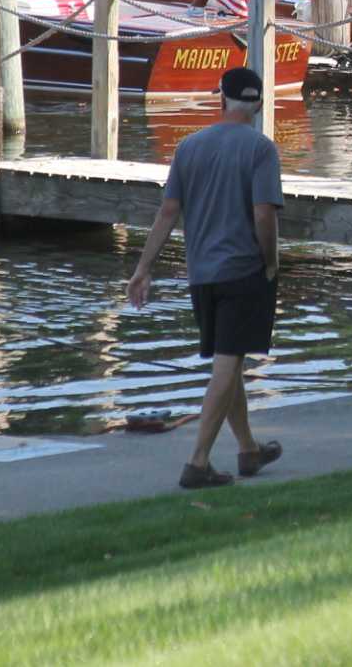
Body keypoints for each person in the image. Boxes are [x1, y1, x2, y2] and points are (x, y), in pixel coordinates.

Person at [128, 65, 284, 489]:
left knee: (227, 361)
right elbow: (264, 213)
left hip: (202, 275)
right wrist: (270, 260)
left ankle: (249, 450)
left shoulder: (188, 147)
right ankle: (197, 462)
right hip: (244, 271)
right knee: (228, 364)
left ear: (221, 101)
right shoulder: (261, 149)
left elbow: (167, 212)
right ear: (258, 104)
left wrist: (143, 269)